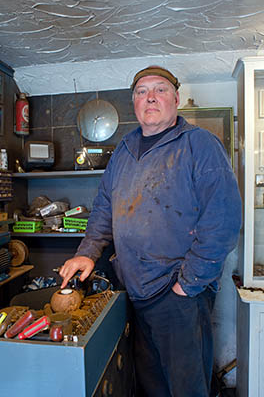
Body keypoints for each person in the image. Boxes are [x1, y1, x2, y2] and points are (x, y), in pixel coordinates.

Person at [60, 66, 242, 397]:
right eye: (142, 92)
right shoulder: (125, 150)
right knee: (151, 385)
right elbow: (104, 208)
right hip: (136, 291)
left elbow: (223, 220)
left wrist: (188, 284)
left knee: (186, 389)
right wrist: (87, 253)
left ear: (175, 98)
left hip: (180, 296)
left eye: (159, 89)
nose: (151, 97)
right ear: (134, 103)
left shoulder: (199, 145)